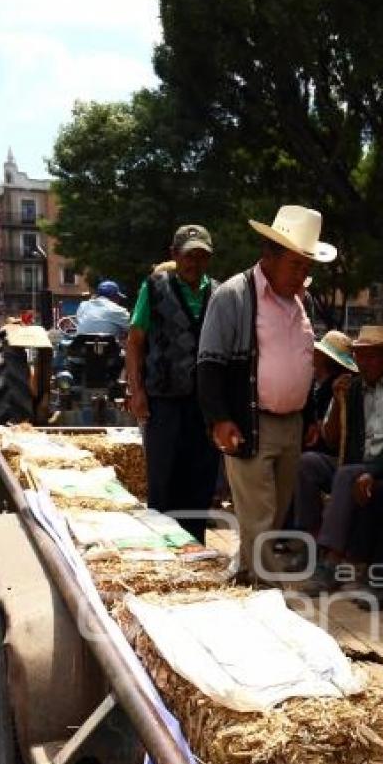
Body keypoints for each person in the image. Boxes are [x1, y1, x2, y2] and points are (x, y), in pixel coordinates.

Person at [197, 205, 336, 582]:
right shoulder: (233, 296)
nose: (302, 275)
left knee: (272, 516)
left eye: (307, 268)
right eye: (296, 266)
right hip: (249, 421)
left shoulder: (301, 302)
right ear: (269, 256)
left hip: (290, 423)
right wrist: (220, 419)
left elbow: (301, 362)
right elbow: (209, 363)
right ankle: (271, 596)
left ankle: (244, 579)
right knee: (259, 516)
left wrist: (306, 417)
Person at [126, 224, 219, 542]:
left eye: (202, 256)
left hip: (204, 405)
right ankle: (162, 547)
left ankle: (195, 546)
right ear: (174, 255)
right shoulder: (154, 287)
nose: (195, 263)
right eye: (189, 255)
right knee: (164, 479)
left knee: (200, 479)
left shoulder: (218, 293)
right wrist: (136, 391)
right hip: (163, 401)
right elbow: (135, 341)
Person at [296, 325, 383, 589]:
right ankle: (314, 544)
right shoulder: (351, 388)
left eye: (372, 356)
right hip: (352, 462)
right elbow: (331, 440)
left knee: (346, 474)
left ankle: (331, 563)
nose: (364, 363)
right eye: (360, 356)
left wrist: (372, 472)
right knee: (307, 463)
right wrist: (338, 400)